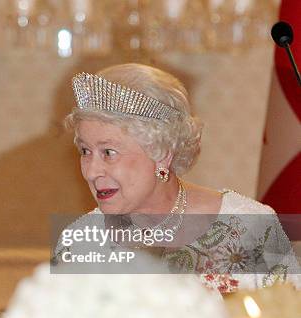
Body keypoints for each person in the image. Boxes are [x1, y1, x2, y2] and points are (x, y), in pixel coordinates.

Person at [53, 63, 299, 293]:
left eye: (108, 153)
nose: (91, 171)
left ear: (162, 153)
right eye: (85, 151)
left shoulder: (249, 227)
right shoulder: (79, 243)